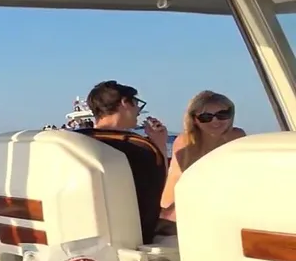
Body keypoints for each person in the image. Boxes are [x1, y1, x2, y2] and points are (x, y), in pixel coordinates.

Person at [76, 80, 169, 243]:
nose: (138, 111)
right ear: (125, 102)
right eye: (136, 104)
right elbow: (158, 193)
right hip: (131, 237)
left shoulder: (75, 140)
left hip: (83, 232)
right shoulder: (138, 148)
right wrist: (160, 144)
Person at [158, 90, 245, 231]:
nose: (215, 121)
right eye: (206, 117)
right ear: (194, 119)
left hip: (218, 207)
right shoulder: (186, 142)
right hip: (179, 212)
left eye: (222, 114)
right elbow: (188, 183)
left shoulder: (237, 136)